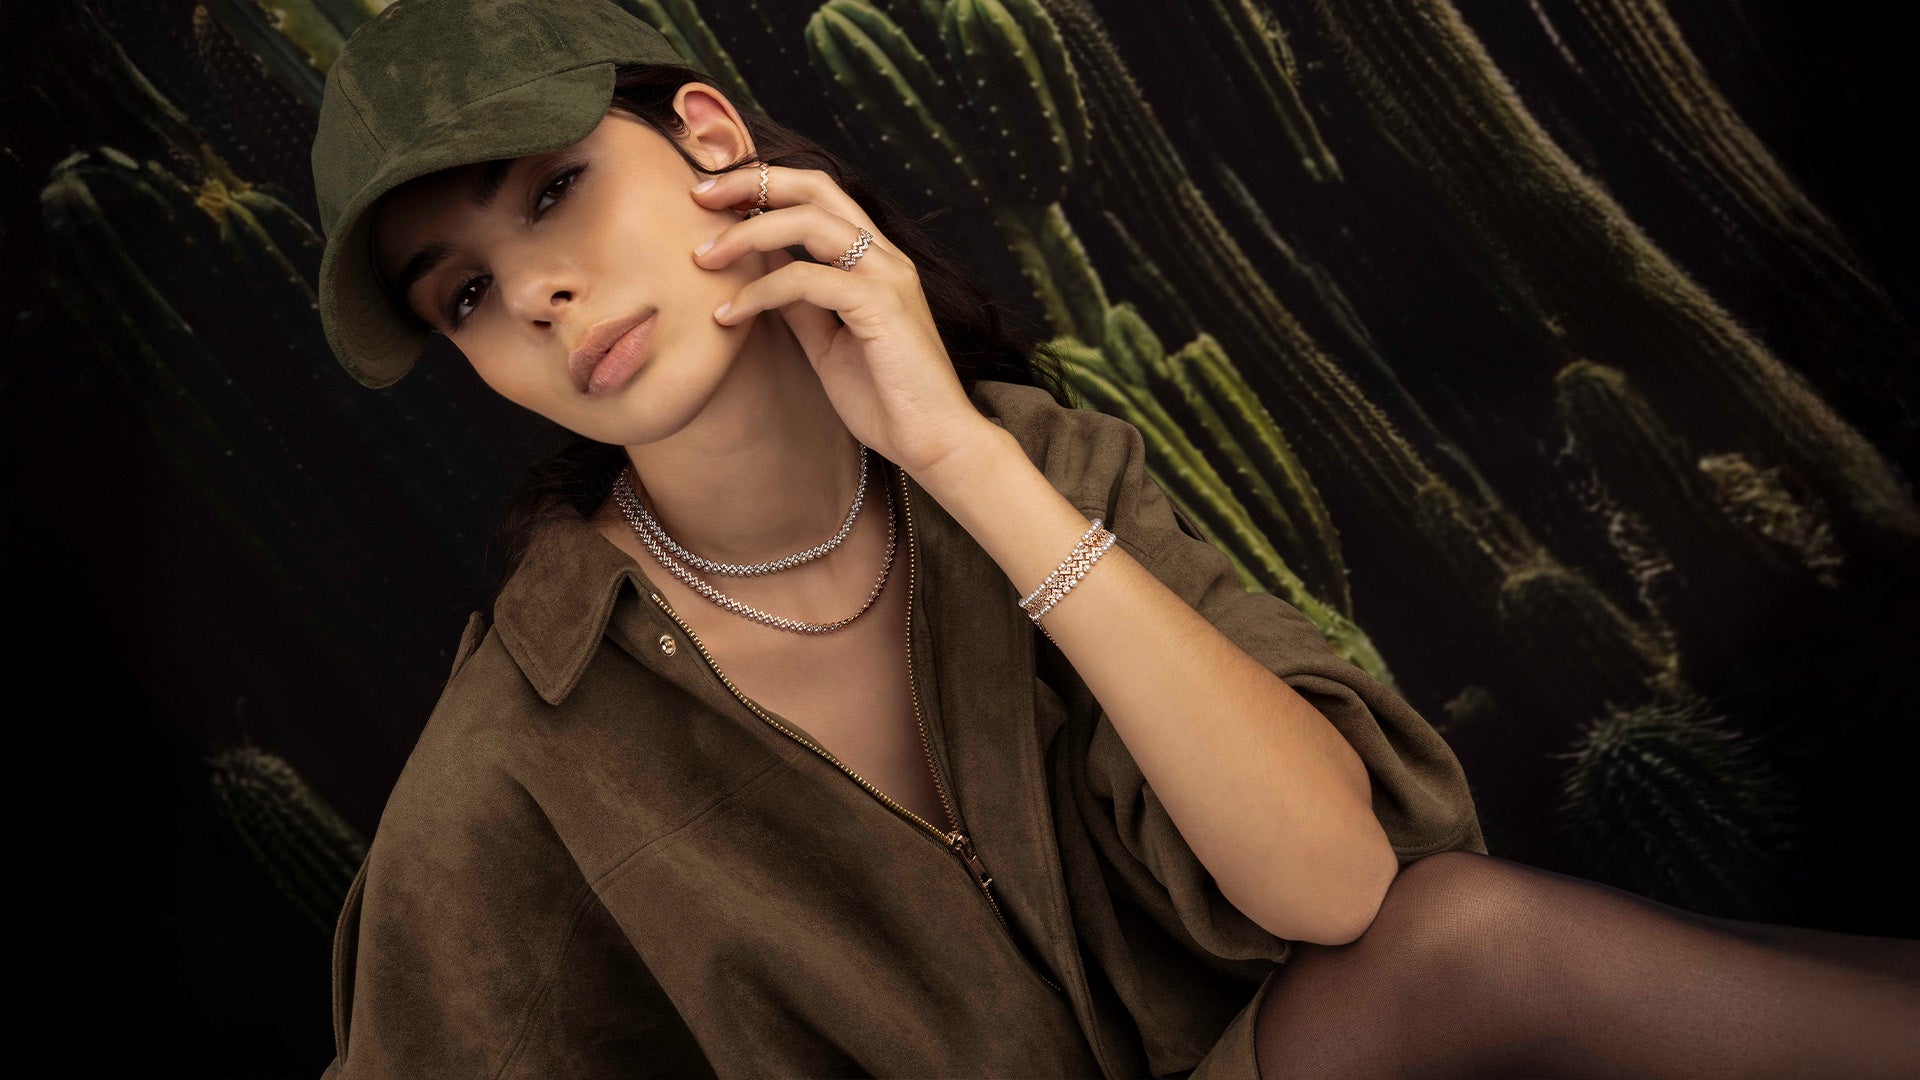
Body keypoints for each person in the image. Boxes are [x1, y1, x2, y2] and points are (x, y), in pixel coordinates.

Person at [309, 1, 1920, 1077]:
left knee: (1457, 944)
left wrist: (956, 456)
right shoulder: (513, 762)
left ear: (715, 146)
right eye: (460, 291)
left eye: (551, 192)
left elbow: (1344, 886)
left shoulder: (1032, 457)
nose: (531, 288)